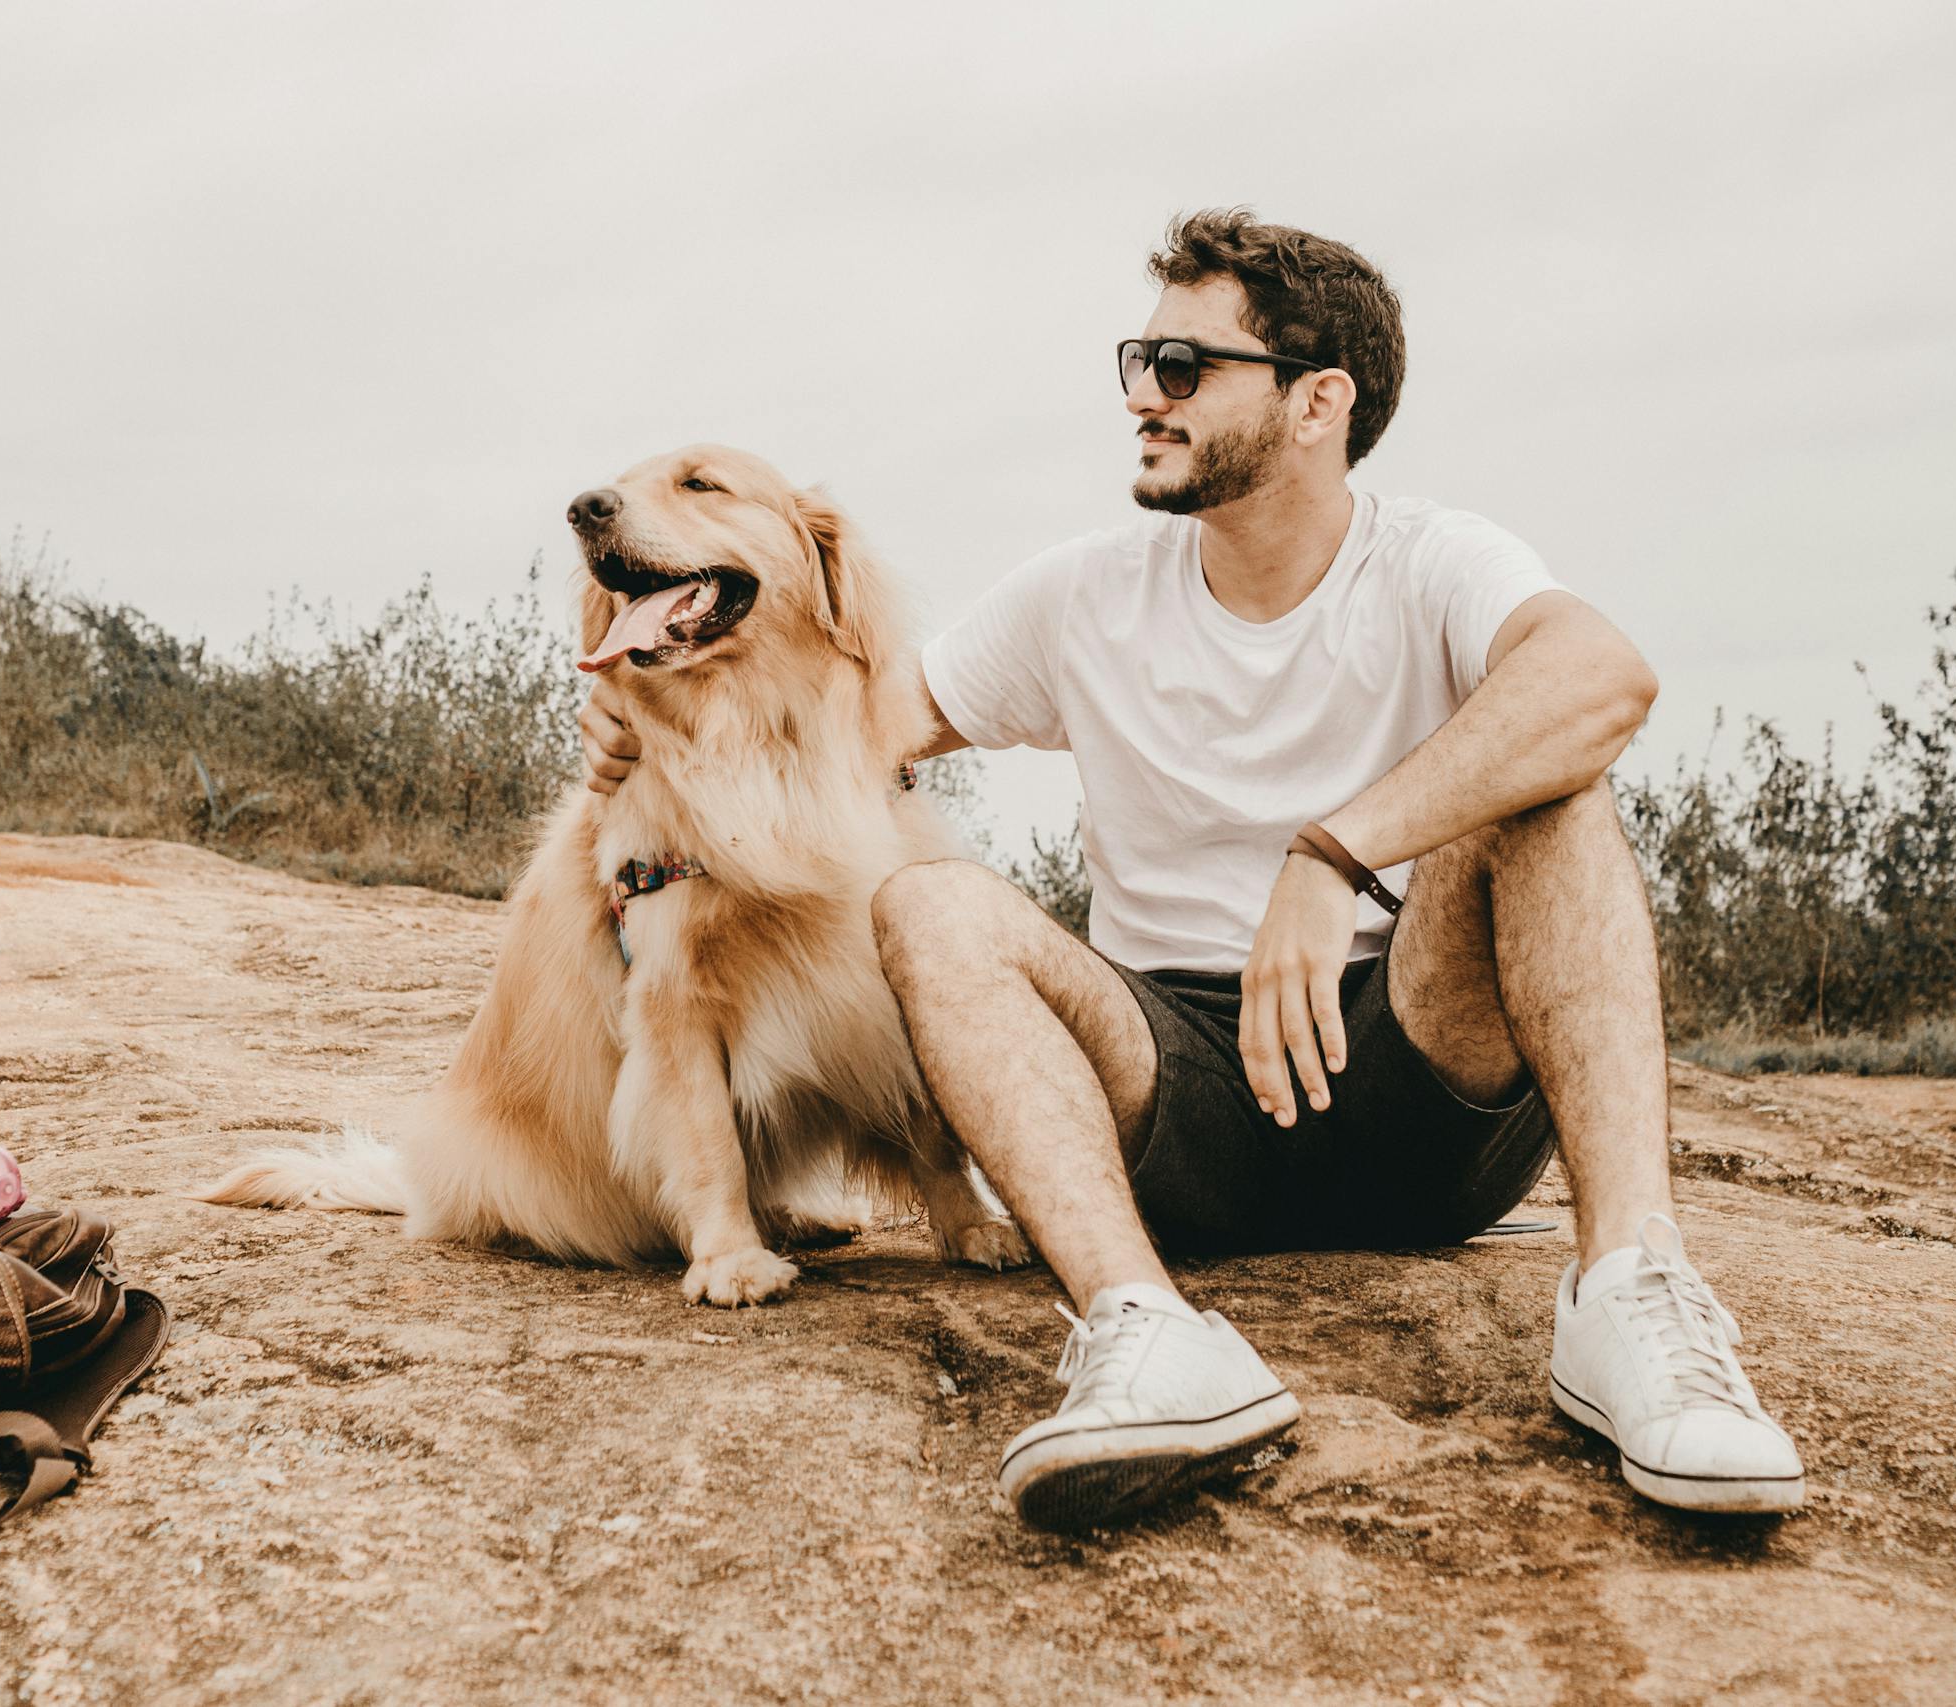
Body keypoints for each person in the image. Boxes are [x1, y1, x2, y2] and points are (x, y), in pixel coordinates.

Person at [581, 209, 1805, 1529]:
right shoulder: (1082, 594)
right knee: (929, 900)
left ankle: (1628, 1293)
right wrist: (653, 702)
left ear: (1317, 402)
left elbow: (1602, 679)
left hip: (1413, 1063)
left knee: (1550, 792)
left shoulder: (1437, 560)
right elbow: (836, 731)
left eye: (1182, 368)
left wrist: (1334, 856)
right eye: (1136, 362)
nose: (1140, 399)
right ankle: (1147, 1333)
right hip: (1173, 1096)